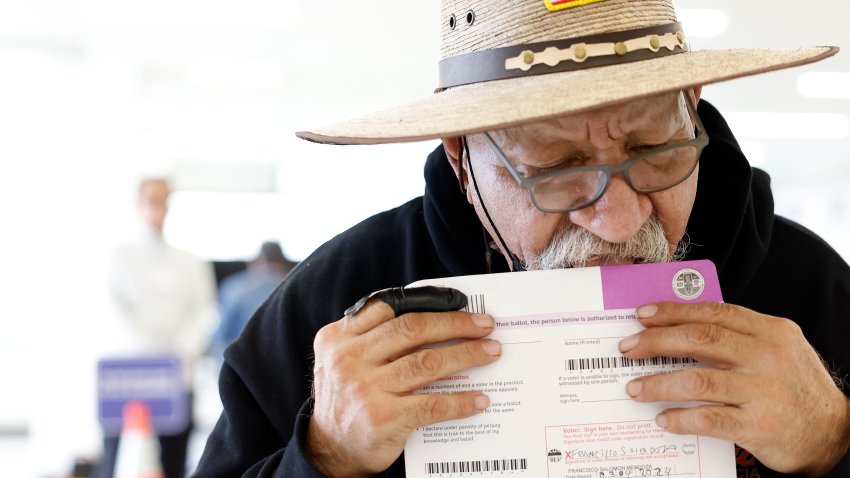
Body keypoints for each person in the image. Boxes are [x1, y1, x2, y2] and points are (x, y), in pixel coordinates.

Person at [196, 1, 850, 476]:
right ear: (461, 156)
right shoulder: (335, 298)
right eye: (556, 169)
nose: (619, 221)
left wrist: (833, 442)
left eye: (653, 149)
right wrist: (324, 457)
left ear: (694, 103)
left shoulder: (810, 285)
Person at [103, 177, 216, 478]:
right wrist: (151, 355)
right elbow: (117, 310)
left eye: (163, 199)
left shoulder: (190, 261)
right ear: (138, 204)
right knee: (116, 455)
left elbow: (202, 310)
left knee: (174, 457)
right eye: (151, 199)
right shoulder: (120, 256)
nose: (158, 207)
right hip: (130, 373)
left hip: (178, 372)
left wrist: (178, 353)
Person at [208, 241, 297, 360]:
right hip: (284, 364)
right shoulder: (296, 286)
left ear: (257, 261)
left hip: (239, 363)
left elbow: (219, 337)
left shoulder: (235, 287)